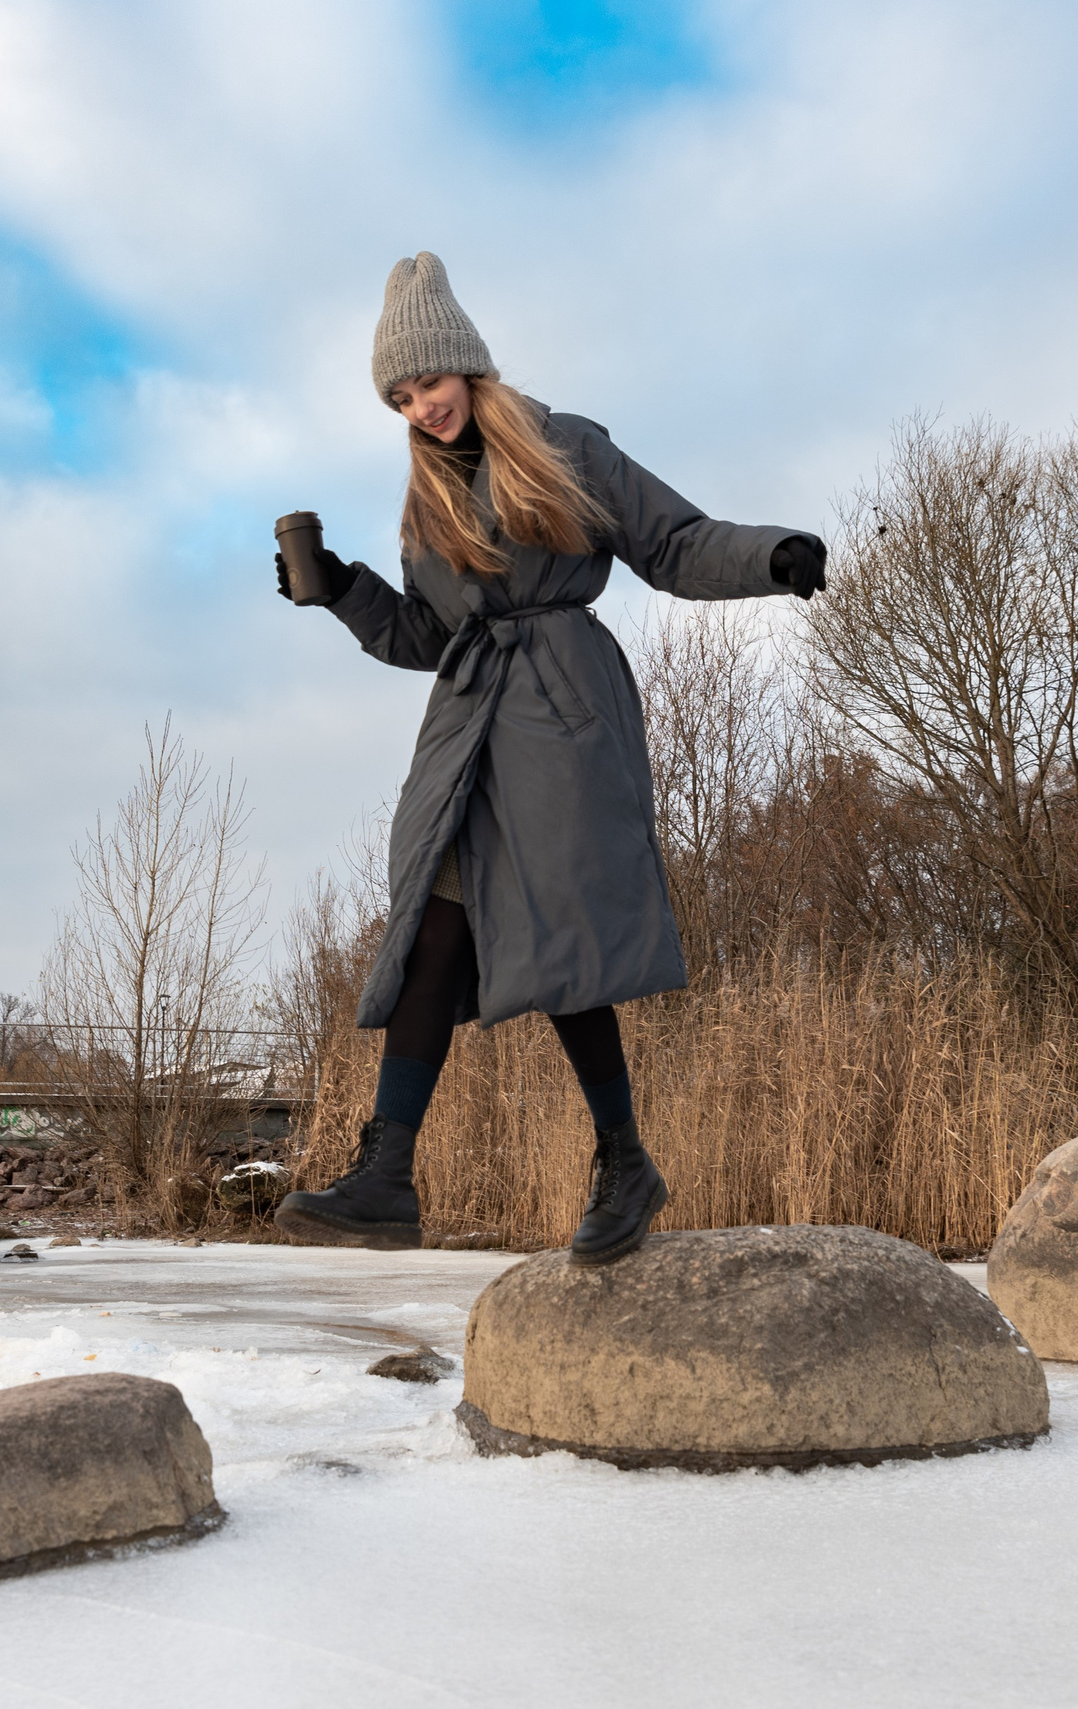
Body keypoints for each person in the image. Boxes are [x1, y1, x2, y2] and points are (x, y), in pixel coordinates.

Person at [272, 252, 826, 1264]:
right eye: (399, 396)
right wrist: (344, 588)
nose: (419, 407)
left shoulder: (567, 446)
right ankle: (388, 1172)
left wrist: (773, 553)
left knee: (564, 938)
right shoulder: (424, 504)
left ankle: (623, 1158)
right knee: (435, 927)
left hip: (563, 712)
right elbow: (430, 637)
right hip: (466, 726)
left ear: (468, 367)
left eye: (427, 382)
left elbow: (675, 542)